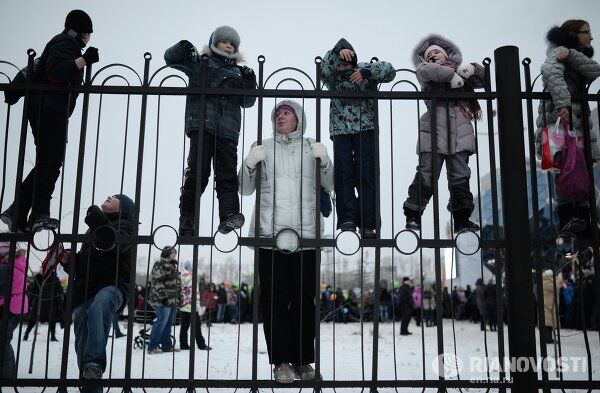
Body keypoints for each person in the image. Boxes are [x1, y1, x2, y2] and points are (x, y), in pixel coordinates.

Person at [239, 100, 333, 383]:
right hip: (270, 236)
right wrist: (249, 163)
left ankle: (303, 362)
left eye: (287, 113)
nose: (281, 117)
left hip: (306, 237)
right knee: (274, 303)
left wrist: (325, 161)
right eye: (277, 114)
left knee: (304, 301)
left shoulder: (311, 146)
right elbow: (244, 189)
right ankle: (280, 363)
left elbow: (330, 184)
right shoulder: (263, 146)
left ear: (298, 119)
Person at [1, 10, 99, 233]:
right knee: (51, 163)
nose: (88, 39)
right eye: (88, 34)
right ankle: (38, 214)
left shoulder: (61, 43)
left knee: (48, 163)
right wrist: (84, 60)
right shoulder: (65, 43)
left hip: (48, 109)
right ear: (83, 33)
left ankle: (19, 212)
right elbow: (56, 73)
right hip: (49, 110)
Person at [164, 26, 257, 236]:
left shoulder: (239, 71)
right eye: (224, 42)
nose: (228, 46)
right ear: (214, 43)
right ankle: (187, 220)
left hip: (228, 132)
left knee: (227, 175)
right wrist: (185, 47)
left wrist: (250, 81)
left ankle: (229, 215)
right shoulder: (201, 63)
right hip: (202, 126)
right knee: (198, 173)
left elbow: (248, 101)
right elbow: (170, 58)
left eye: (232, 44)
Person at [403, 34, 484, 232]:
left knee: (460, 178)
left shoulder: (462, 74)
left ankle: (462, 219)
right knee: (427, 175)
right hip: (433, 131)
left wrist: (473, 68)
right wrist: (454, 73)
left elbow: (483, 79)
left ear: (447, 54)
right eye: (430, 54)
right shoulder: (425, 71)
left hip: (460, 130)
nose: (434, 56)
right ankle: (413, 214)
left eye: (438, 52)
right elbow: (432, 71)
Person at [321, 38, 396, 238]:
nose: (344, 69)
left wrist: (366, 72)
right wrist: (337, 50)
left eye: (347, 64)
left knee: (366, 175)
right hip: (340, 132)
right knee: (344, 175)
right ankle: (347, 219)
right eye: (341, 65)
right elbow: (324, 67)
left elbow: (390, 71)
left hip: (365, 129)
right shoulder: (333, 78)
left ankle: (368, 223)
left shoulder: (364, 72)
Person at [59, 194, 134, 391]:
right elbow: (85, 265)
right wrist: (69, 261)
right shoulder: (92, 228)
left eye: (116, 197)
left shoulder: (126, 226)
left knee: (101, 302)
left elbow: (111, 244)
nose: (109, 196)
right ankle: (90, 382)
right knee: (81, 319)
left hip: (114, 287)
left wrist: (96, 219)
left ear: (123, 208)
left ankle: (95, 363)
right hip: (86, 290)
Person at [535, 20, 600, 235]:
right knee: (565, 170)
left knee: (573, 170)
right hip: (564, 121)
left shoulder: (570, 54)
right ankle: (573, 220)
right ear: (573, 33)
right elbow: (550, 70)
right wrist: (563, 104)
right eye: (586, 33)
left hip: (574, 123)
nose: (591, 37)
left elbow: (594, 70)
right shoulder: (560, 51)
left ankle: (579, 221)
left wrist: (573, 55)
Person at [0, 243, 28, 383]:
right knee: (5, 340)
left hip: (8, 307)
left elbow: (3, 290)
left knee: (3, 342)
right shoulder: (18, 263)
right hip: (16, 307)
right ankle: (11, 372)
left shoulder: (6, 267)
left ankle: (5, 376)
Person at [148, 247, 181, 354]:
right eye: (173, 253)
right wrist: (163, 297)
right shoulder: (160, 264)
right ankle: (152, 347)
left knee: (168, 323)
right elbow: (157, 281)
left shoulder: (172, 265)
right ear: (167, 253)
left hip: (172, 301)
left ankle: (167, 346)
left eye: (175, 253)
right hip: (162, 300)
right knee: (161, 322)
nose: (174, 255)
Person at [179, 261, 211, 351]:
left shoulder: (182, 276)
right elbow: (193, 293)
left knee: (184, 326)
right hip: (191, 305)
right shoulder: (190, 278)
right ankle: (201, 345)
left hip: (184, 305)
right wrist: (197, 305)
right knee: (197, 325)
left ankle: (183, 344)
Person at [22, 271, 64, 342]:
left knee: (52, 320)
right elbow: (33, 291)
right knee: (33, 319)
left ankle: (53, 336)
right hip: (39, 302)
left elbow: (59, 292)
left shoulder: (55, 279)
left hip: (51, 303)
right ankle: (26, 334)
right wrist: (28, 303)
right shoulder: (38, 278)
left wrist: (60, 304)